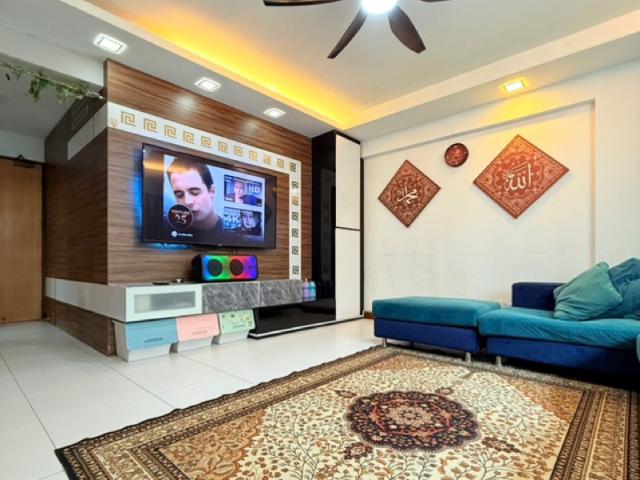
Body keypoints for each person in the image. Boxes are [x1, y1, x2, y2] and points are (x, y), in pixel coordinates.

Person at [166, 156, 223, 236]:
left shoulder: (233, 233)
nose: (187, 202)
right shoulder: (163, 225)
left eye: (194, 192)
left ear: (212, 192)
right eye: (179, 195)